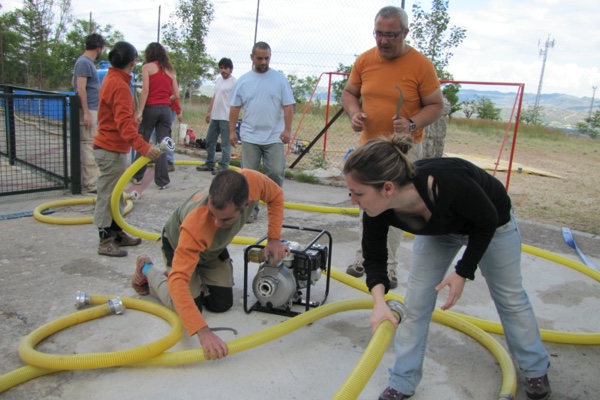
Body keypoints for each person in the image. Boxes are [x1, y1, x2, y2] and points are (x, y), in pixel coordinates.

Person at [343, 136, 551, 400]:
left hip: (493, 225)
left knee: (509, 297)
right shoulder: (377, 211)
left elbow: (486, 221)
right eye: (350, 192)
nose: (352, 200)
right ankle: (403, 381)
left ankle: (535, 370)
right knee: (416, 303)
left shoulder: (449, 182)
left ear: (387, 188)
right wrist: (379, 303)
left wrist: (463, 271)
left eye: (358, 193)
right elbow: (374, 258)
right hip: (439, 231)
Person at [130, 169, 290, 360]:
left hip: (212, 249)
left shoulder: (252, 182)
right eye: (213, 214)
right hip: (178, 244)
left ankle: (190, 273)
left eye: (224, 219)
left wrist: (274, 239)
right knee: (190, 309)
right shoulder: (195, 226)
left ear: (247, 204)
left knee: (221, 304)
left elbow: (276, 195)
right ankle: (147, 269)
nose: (216, 222)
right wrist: (203, 332)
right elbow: (179, 281)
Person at [342, 6, 445, 289]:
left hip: (404, 151)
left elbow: (436, 105)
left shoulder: (421, 65)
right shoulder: (365, 60)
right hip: (370, 148)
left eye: (390, 35)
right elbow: (349, 93)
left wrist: (412, 123)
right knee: (367, 203)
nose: (383, 41)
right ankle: (363, 257)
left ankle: (389, 266)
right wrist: (354, 113)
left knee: (396, 206)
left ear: (405, 33)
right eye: (379, 34)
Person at [93, 41, 161, 257]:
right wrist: (144, 147)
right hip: (110, 149)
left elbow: (122, 120)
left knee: (116, 193)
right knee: (107, 195)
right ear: (133, 62)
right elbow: (123, 126)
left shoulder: (114, 79)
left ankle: (116, 233)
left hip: (113, 148)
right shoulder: (119, 85)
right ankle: (105, 241)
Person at [229, 41, 295, 223]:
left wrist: (287, 129)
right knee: (249, 175)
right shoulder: (243, 81)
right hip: (250, 136)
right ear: (252, 58)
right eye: (260, 58)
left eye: (267, 58)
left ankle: (275, 205)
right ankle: (251, 210)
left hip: (274, 136)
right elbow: (234, 107)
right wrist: (232, 131)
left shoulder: (279, 79)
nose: (264, 62)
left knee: (275, 171)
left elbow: (288, 105)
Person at [131, 42, 179, 189]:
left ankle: (137, 176)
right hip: (165, 110)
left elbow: (145, 90)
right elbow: (176, 95)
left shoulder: (147, 67)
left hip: (150, 108)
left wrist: (140, 111)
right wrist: (164, 100)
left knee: (143, 142)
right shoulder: (170, 70)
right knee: (162, 144)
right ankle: (163, 181)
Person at [73, 33, 106, 194]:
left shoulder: (86, 63)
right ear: (99, 48)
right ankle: (91, 184)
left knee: (90, 144)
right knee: (88, 145)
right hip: (88, 110)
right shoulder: (84, 63)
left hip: (93, 109)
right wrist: (86, 112)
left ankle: (91, 180)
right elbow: (80, 88)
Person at [196, 57, 236, 175]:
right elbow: (215, 96)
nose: (223, 70)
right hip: (216, 116)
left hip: (226, 117)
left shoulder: (234, 82)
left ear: (230, 69)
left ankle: (223, 167)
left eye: (225, 68)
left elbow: (237, 101)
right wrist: (209, 112)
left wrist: (233, 118)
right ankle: (210, 163)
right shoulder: (218, 80)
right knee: (209, 140)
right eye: (221, 68)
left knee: (225, 144)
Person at [150, 95, 183, 171]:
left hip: (169, 110)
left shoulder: (168, 83)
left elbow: (175, 96)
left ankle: (169, 161)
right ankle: (157, 156)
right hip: (158, 108)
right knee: (155, 135)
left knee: (165, 136)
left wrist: (178, 112)